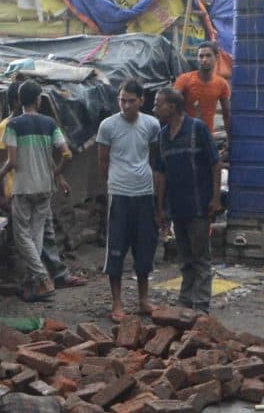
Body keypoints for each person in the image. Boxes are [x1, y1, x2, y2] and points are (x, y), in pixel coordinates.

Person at [90, 81, 164, 321]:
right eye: (122, 100)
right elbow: (102, 161)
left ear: (141, 100)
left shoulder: (151, 124)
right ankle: (117, 303)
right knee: (117, 249)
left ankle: (143, 299)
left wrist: (153, 189)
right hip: (119, 195)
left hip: (144, 194)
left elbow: (154, 157)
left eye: (131, 101)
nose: (126, 105)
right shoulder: (108, 126)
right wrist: (112, 184)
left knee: (145, 247)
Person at [0, 81, 71, 301]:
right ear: (38, 99)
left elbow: (13, 161)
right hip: (46, 187)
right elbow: (67, 154)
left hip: (23, 187)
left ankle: (43, 278)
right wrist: (57, 172)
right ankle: (35, 284)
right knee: (36, 235)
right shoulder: (49, 124)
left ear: (19, 99)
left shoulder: (13, 125)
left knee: (22, 237)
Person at [157, 83, 218, 308]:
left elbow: (215, 163)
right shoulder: (163, 135)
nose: (155, 109)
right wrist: (161, 207)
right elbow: (161, 172)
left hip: (199, 205)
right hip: (177, 207)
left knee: (201, 258)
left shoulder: (197, 128)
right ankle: (185, 303)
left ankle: (201, 307)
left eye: (158, 104)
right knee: (185, 259)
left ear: (172, 107)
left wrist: (215, 198)